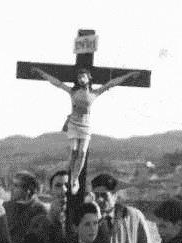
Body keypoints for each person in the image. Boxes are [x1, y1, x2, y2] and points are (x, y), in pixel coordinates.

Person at [31, 66, 140, 194]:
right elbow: (56, 82)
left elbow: (112, 83)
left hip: (86, 125)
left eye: (83, 76)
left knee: (82, 152)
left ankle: (74, 179)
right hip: (74, 124)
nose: (81, 79)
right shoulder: (73, 92)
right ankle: (71, 176)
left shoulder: (95, 93)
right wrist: (40, 72)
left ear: (89, 78)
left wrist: (129, 75)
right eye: (79, 77)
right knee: (74, 151)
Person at [3, 171, 48, 243]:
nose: (11, 189)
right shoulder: (6, 207)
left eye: (16, 186)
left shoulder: (40, 211)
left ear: (28, 190)